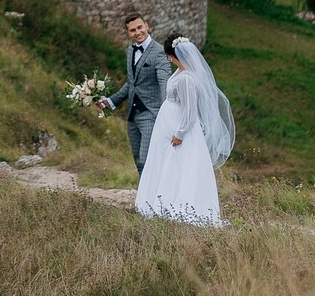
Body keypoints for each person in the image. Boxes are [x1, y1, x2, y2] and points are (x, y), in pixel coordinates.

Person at [134, 34, 234, 227]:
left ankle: (177, 207)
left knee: (180, 166)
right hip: (168, 125)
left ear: (171, 55)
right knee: (166, 165)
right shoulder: (179, 72)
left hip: (181, 131)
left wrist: (180, 133)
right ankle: (161, 204)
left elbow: (190, 111)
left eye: (168, 56)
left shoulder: (186, 79)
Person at [98, 14, 171, 176]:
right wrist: (111, 101)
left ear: (147, 26)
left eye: (140, 28)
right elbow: (132, 83)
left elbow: (164, 83)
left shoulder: (159, 52)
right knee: (138, 160)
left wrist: (167, 113)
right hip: (132, 115)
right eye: (132, 30)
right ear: (128, 33)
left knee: (148, 160)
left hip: (151, 115)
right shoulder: (130, 51)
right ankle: (144, 199)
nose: (137, 32)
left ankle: (157, 199)